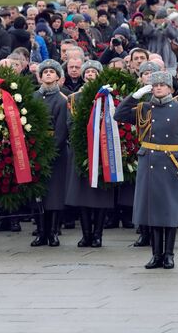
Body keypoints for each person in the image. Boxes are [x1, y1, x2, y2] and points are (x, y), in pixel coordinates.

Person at [114, 71, 178, 269]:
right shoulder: (144, 108)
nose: (158, 87)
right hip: (149, 162)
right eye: (155, 85)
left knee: (168, 211)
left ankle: (169, 254)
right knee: (152, 212)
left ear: (170, 88)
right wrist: (134, 96)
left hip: (170, 164)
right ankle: (156, 254)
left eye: (163, 85)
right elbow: (119, 115)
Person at [65, 60, 114, 247]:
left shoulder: (106, 96)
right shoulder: (74, 98)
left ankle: (98, 234)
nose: (90, 74)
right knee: (82, 195)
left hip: (102, 150)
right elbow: (70, 123)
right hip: (82, 149)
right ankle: (86, 234)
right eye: (88, 72)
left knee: (100, 195)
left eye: (94, 71)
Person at [31, 60, 68, 247]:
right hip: (35, 150)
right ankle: (41, 231)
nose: (47, 74)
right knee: (38, 193)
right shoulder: (32, 98)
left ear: (58, 77)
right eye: (44, 71)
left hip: (56, 152)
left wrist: (50, 151)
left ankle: (53, 232)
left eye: (51, 71)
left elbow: (62, 131)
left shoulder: (62, 100)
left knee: (54, 193)